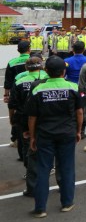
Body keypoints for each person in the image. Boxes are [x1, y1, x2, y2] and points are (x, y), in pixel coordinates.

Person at [26, 56, 83, 217]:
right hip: (67, 133)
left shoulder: (37, 89)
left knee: (43, 169)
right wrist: (78, 131)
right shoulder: (73, 87)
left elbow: (32, 117)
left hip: (45, 134)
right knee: (66, 168)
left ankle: (40, 208)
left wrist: (32, 136)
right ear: (64, 72)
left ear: (46, 71)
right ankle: (66, 203)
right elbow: (79, 112)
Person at [10, 56, 47, 197]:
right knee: (46, 146)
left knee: (28, 147)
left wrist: (12, 118)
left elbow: (12, 103)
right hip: (44, 118)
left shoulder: (20, 79)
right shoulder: (48, 77)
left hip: (24, 118)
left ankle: (31, 178)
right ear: (41, 66)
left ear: (26, 68)